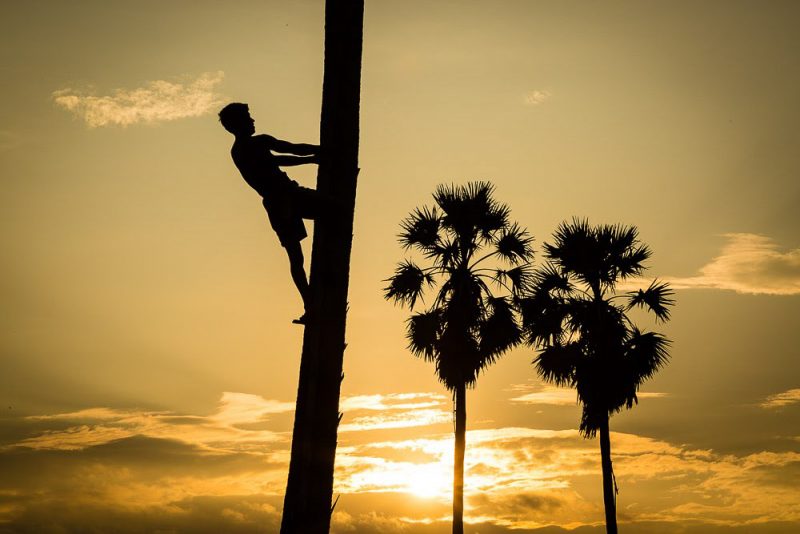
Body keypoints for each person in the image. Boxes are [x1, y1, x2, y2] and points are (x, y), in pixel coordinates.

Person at [219, 102, 320, 324]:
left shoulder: (261, 141)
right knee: (297, 257)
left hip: (287, 196)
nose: (253, 120)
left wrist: (317, 150)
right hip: (281, 199)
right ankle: (310, 305)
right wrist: (313, 158)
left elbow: (291, 147)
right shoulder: (241, 151)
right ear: (236, 125)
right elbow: (277, 159)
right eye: (248, 118)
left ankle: (311, 304)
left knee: (298, 255)